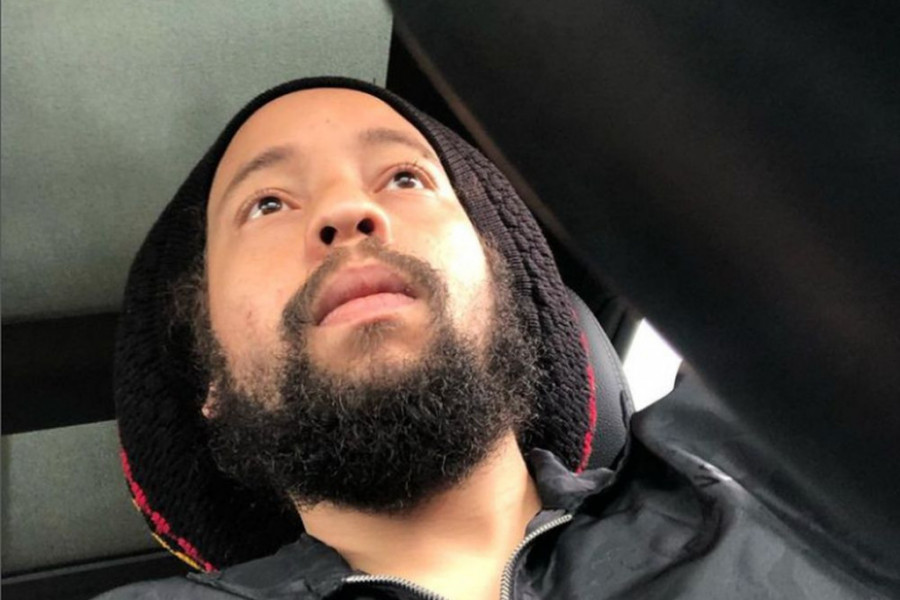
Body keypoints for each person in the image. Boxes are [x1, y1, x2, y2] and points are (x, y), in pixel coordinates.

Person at [99, 78, 888, 599]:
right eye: (268, 204)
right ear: (209, 379)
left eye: (404, 177)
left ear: (507, 292)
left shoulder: (777, 481)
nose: (347, 211)